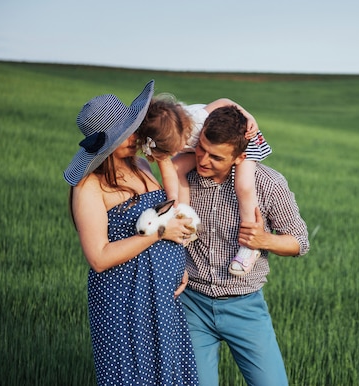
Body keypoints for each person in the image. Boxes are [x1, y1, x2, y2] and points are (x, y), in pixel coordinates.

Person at [63, 80, 199, 385]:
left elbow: (169, 209)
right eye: (126, 133)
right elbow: (98, 258)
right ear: (108, 143)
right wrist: (158, 235)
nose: (135, 135)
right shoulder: (89, 188)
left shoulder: (140, 165)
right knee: (133, 374)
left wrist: (178, 263)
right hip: (124, 299)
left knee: (170, 374)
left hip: (162, 295)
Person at [180, 105, 310, 386]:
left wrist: (265, 240)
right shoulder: (185, 176)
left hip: (244, 306)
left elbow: (300, 242)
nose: (203, 160)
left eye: (216, 156)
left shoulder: (269, 184)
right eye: (201, 149)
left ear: (241, 157)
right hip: (192, 304)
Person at [136, 94, 272, 276]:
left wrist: (248, 116)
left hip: (243, 137)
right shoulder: (160, 138)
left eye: (177, 147)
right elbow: (169, 170)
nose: (176, 152)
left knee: (244, 185)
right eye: (172, 151)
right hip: (210, 145)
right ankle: (186, 220)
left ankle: (249, 245)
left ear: (184, 131)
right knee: (177, 168)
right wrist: (173, 202)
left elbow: (224, 101)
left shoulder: (198, 118)